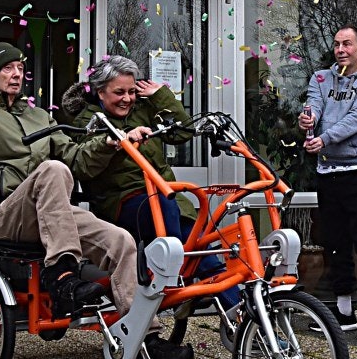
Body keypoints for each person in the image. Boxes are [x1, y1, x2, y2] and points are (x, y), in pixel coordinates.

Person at [0, 34, 192, 359]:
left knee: (122, 242)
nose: (17, 74)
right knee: (52, 169)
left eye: (21, 67)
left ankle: (146, 339)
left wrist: (110, 143)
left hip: (51, 213)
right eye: (7, 68)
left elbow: (76, 159)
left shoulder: (39, 117)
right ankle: (61, 275)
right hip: (8, 214)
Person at [62, 55, 239, 310]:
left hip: (166, 201)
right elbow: (82, 166)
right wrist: (116, 142)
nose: (127, 99)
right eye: (119, 92)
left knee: (201, 249)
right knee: (172, 224)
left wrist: (161, 95)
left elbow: (181, 132)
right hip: (123, 203)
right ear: (100, 92)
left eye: (132, 91)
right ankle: (175, 277)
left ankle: (242, 316)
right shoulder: (87, 121)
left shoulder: (142, 110)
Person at [299, 25, 357, 342]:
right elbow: (314, 106)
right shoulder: (320, 78)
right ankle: (345, 312)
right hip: (328, 173)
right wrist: (307, 118)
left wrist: (324, 138)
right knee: (335, 243)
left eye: (347, 43)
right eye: (336, 44)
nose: (340, 49)